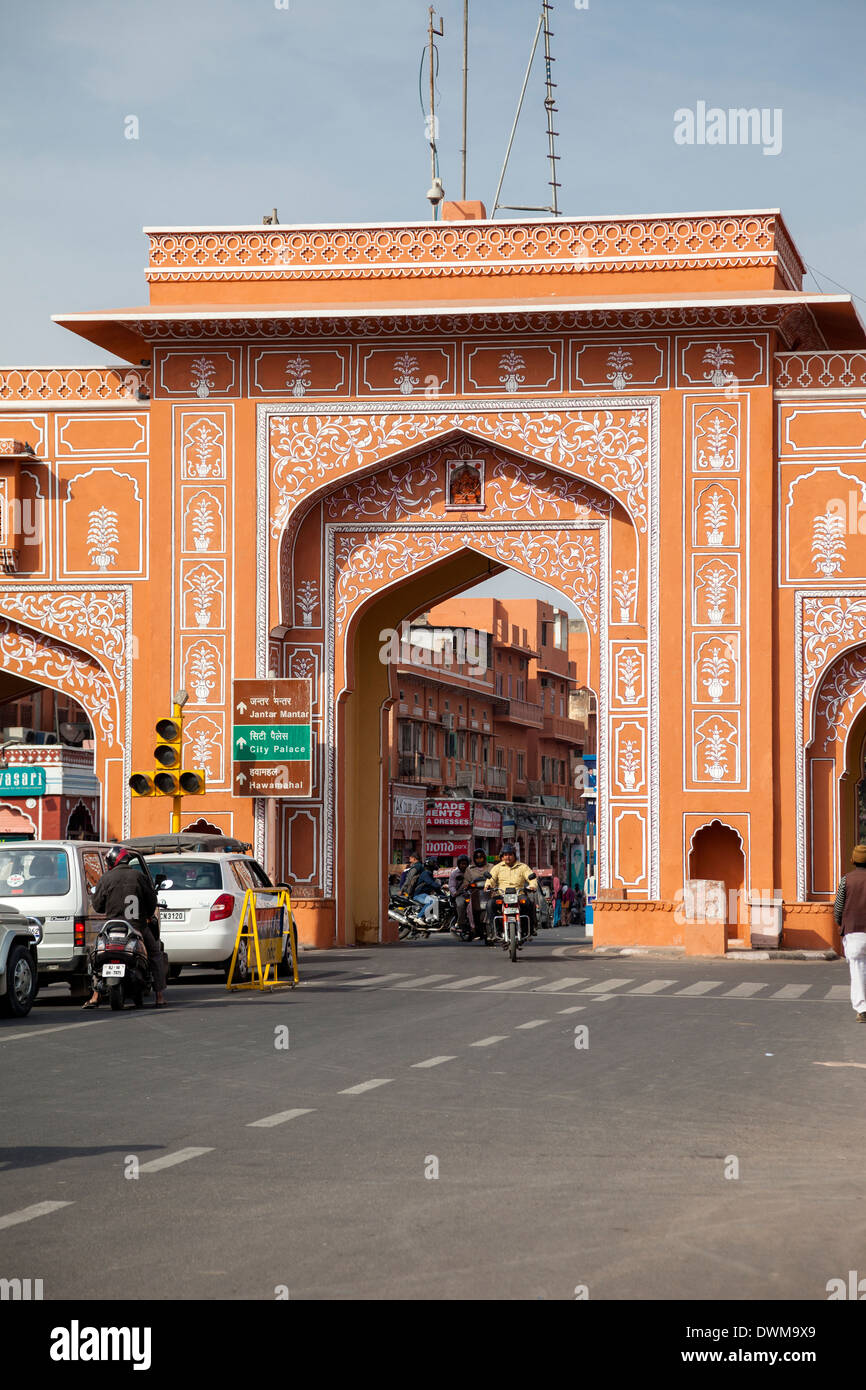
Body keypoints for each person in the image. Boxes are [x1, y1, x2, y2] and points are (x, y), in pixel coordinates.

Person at [83, 847, 166, 1009]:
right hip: (138, 927)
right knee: (155, 954)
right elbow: (151, 903)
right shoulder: (139, 876)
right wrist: (147, 916)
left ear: (113, 862)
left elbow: (98, 906)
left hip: (111, 929)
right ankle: (160, 996)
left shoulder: (106, 878)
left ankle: (95, 996)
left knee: (96, 955)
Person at [833, 843, 866, 1021]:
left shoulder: (846, 879)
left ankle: (862, 1009)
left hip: (854, 931)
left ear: (853, 860)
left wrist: (841, 924)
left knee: (858, 969)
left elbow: (838, 907)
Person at [484, 842, 539, 940]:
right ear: (502, 857)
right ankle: (495, 931)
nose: (507, 857)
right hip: (502, 895)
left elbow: (531, 878)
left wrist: (532, 886)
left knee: (528, 903)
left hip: (518, 894)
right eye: (505, 855)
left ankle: (529, 930)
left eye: (510, 854)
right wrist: (488, 885)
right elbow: (491, 879)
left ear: (514, 855)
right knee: (490, 904)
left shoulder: (523, 867)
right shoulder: (497, 867)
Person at [455, 849, 489, 940]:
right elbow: (465, 882)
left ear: (484, 858)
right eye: (477, 858)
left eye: (481, 857)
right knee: (468, 906)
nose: (479, 860)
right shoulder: (469, 870)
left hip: (489, 893)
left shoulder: (491, 867)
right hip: (475, 894)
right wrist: (467, 885)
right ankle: (471, 927)